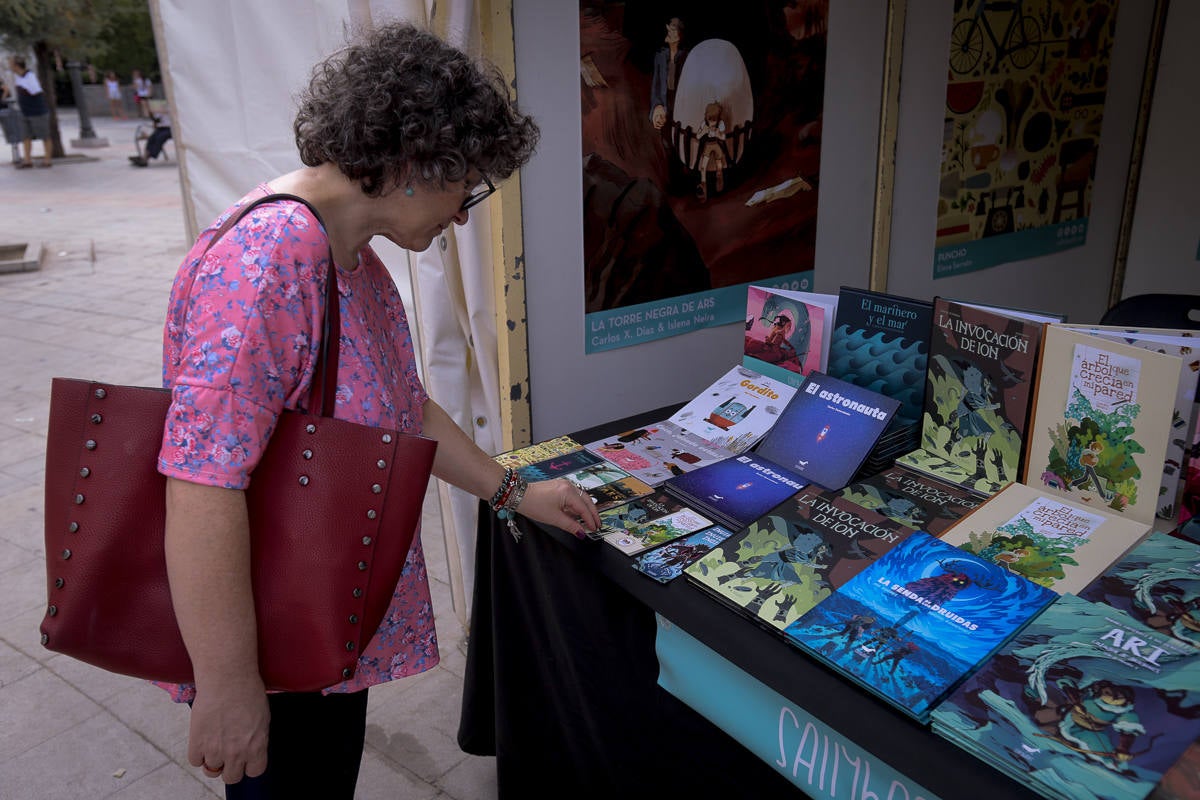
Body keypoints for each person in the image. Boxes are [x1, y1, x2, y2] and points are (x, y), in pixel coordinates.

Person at [156, 22, 600, 798]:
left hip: (315, 616)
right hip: (272, 639)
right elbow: (200, 482)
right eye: (467, 184)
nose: (463, 214)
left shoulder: (348, 257)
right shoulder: (270, 261)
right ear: (414, 162)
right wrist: (227, 688)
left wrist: (516, 492)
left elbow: (404, 407)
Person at [9, 56, 52, 169]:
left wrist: (24, 91)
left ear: (16, 65)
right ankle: (27, 160)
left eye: (11, 64)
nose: (9, 66)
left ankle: (47, 159)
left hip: (37, 112)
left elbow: (36, 91)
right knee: (25, 136)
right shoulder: (18, 77)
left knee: (44, 135)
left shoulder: (30, 76)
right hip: (25, 111)